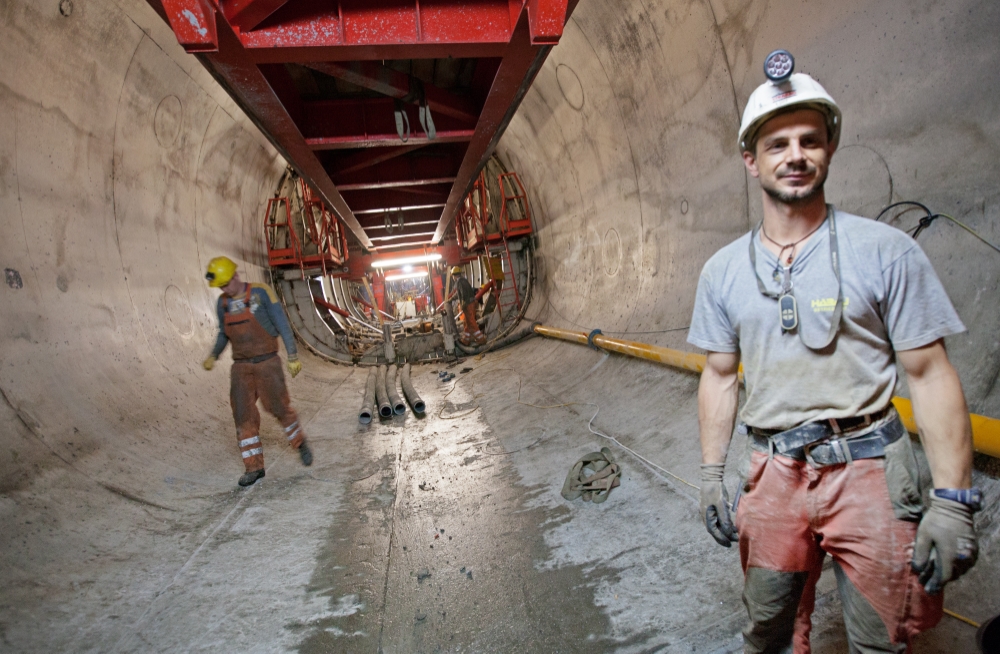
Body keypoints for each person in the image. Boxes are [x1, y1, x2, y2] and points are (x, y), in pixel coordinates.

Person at [688, 57, 980, 653]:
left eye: (809, 141)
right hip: (773, 473)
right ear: (752, 160)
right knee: (767, 629)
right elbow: (719, 377)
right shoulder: (721, 273)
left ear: (829, 149)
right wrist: (713, 475)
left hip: (871, 468)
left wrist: (953, 502)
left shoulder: (886, 253)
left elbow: (929, 374)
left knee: (881, 638)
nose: (794, 155)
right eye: (777, 144)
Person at [202, 256, 313, 487]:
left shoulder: (261, 294)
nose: (224, 289)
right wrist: (214, 354)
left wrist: (292, 355)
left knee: (279, 407)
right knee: (242, 415)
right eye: (220, 286)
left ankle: (300, 443)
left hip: (267, 363)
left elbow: (282, 324)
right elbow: (224, 333)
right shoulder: (223, 304)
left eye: (225, 283)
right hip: (241, 367)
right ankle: (254, 468)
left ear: (235, 275)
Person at [452, 266, 485, 345]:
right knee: (466, 322)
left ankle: (481, 339)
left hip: (468, 304)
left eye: (453, 276)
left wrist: (463, 304)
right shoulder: (463, 281)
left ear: (454, 275)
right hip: (470, 303)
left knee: (471, 322)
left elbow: (463, 294)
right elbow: (459, 293)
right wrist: (451, 299)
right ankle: (466, 340)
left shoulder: (460, 282)